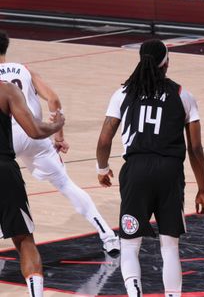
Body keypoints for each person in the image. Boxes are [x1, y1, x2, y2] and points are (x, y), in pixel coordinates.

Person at [96, 39, 204, 297]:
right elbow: (195, 149)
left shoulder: (123, 93)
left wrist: (102, 169)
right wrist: (202, 189)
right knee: (169, 247)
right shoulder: (182, 95)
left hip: (136, 170)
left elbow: (104, 140)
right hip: (170, 173)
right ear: (166, 63)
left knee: (130, 245)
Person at [0, 31, 120, 256]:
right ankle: (108, 236)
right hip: (35, 134)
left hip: (6, 138)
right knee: (66, 184)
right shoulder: (24, 69)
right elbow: (53, 99)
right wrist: (59, 136)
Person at [0, 69, 65, 297]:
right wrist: (57, 126)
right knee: (24, 239)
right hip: (3, 170)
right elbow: (35, 131)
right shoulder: (6, 90)